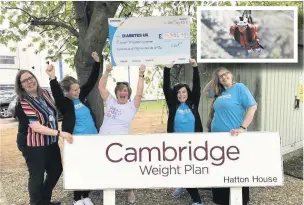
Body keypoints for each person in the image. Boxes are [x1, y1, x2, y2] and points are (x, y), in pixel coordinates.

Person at [45, 52, 102, 205]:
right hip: (76, 141)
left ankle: (86, 196)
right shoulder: (65, 103)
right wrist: (52, 77)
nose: (78, 91)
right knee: (78, 168)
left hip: (92, 138)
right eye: (75, 90)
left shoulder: (80, 96)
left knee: (89, 167)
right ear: (67, 91)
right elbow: (56, 95)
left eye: (78, 88)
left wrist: (97, 63)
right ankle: (77, 198)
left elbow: (91, 82)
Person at [14, 70, 73, 205]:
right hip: (33, 145)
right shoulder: (22, 102)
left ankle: (44, 201)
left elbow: (54, 110)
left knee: (56, 170)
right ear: (21, 86)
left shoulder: (45, 94)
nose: (29, 81)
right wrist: (59, 133)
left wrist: (53, 77)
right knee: (37, 176)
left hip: (50, 142)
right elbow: (36, 126)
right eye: (25, 81)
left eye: (31, 77)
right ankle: (35, 203)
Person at [203, 67, 258, 205]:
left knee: (237, 170)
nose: (224, 77)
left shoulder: (239, 88)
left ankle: (241, 201)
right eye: (221, 76)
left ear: (231, 75)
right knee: (219, 168)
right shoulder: (218, 92)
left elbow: (252, 107)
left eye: (226, 74)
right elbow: (205, 92)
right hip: (217, 139)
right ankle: (221, 200)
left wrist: (242, 127)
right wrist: (214, 78)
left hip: (234, 139)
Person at [98, 62, 146, 204]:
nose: (122, 92)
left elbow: (139, 93)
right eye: (120, 90)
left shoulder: (132, 106)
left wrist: (141, 74)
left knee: (125, 167)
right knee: (105, 166)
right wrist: (106, 72)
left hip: (121, 143)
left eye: (125, 90)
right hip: (104, 140)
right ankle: (105, 189)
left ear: (128, 93)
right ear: (117, 93)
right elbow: (101, 87)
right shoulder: (111, 102)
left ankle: (129, 190)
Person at [163, 59, 204, 205]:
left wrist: (194, 67)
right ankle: (197, 200)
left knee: (190, 169)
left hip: (195, 143)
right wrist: (167, 69)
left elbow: (197, 85)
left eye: (184, 92)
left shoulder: (193, 103)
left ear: (188, 93)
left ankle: (182, 184)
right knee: (183, 169)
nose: (181, 95)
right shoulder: (173, 105)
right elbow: (165, 87)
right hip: (177, 144)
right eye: (179, 93)